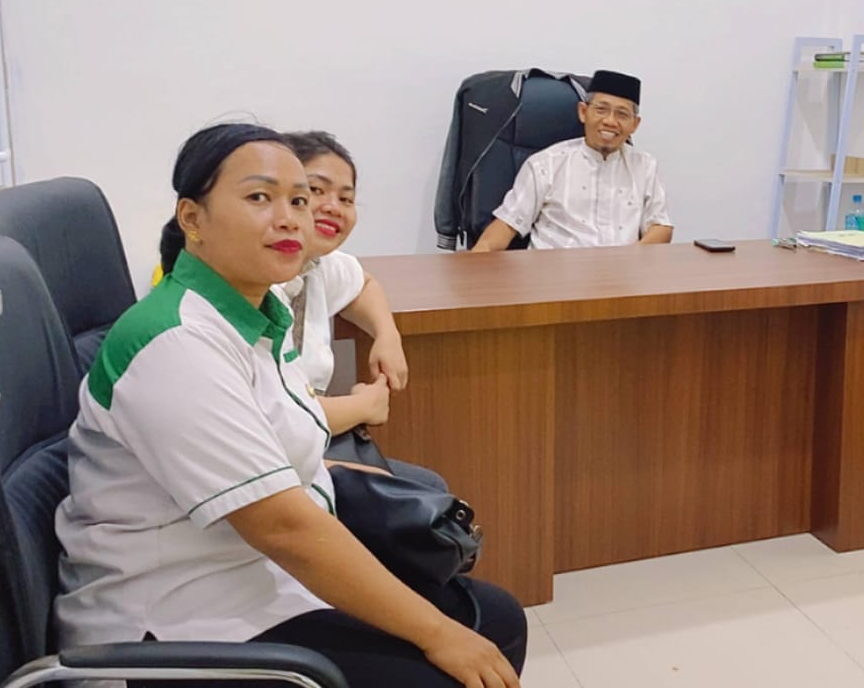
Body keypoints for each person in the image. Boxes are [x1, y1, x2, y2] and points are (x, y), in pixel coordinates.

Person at [55, 122, 526, 688]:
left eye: (299, 201)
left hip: (256, 577)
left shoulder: (257, 314)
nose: (290, 219)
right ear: (192, 219)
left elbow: (283, 451)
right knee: (450, 661)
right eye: (260, 197)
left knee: (495, 619)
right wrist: (437, 634)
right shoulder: (176, 341)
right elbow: (282, 527)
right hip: (180, 619)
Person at [277, 129, 447, 490]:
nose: (333, 207)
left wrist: (387, 334)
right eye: (315, 190)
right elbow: (278, 419)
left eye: (346, 198)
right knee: (421, 499)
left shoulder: (316, 264)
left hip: (306, 446)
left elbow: (363, 284)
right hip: (271, 465)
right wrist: (365, 407)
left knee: (427, 491)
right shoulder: (255, 281)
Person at [471, 69, 673, 250]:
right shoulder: (546, 164)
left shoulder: (645, 166)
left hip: (622, 273)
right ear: (583, 112)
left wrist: (629, 260)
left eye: (622, 114)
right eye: (601, 110)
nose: (610, 121)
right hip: (553, 274)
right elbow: (507, 224)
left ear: (635, 124)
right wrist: (477, 261)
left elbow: (660, 226)